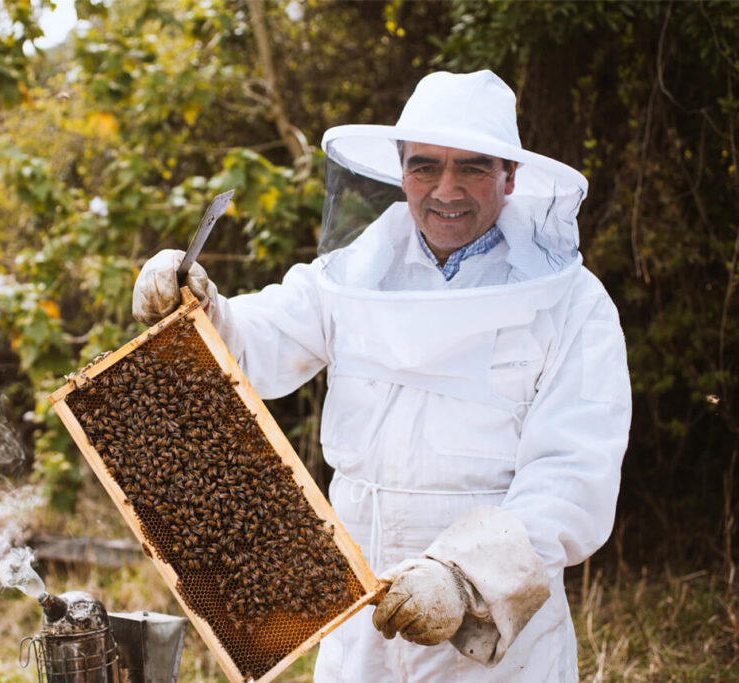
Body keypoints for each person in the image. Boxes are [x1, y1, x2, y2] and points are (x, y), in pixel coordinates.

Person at [132, 70, 631, 682]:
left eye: (472, 168)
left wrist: (466, 577)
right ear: (401, 171)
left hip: (493, 638)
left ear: (510, 175)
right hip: (360, 628)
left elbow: (573, 476)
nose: (446, 189)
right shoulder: (355, 274)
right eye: (425, 166)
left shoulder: (573, 303)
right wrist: (199, 306)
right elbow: (256, 345)